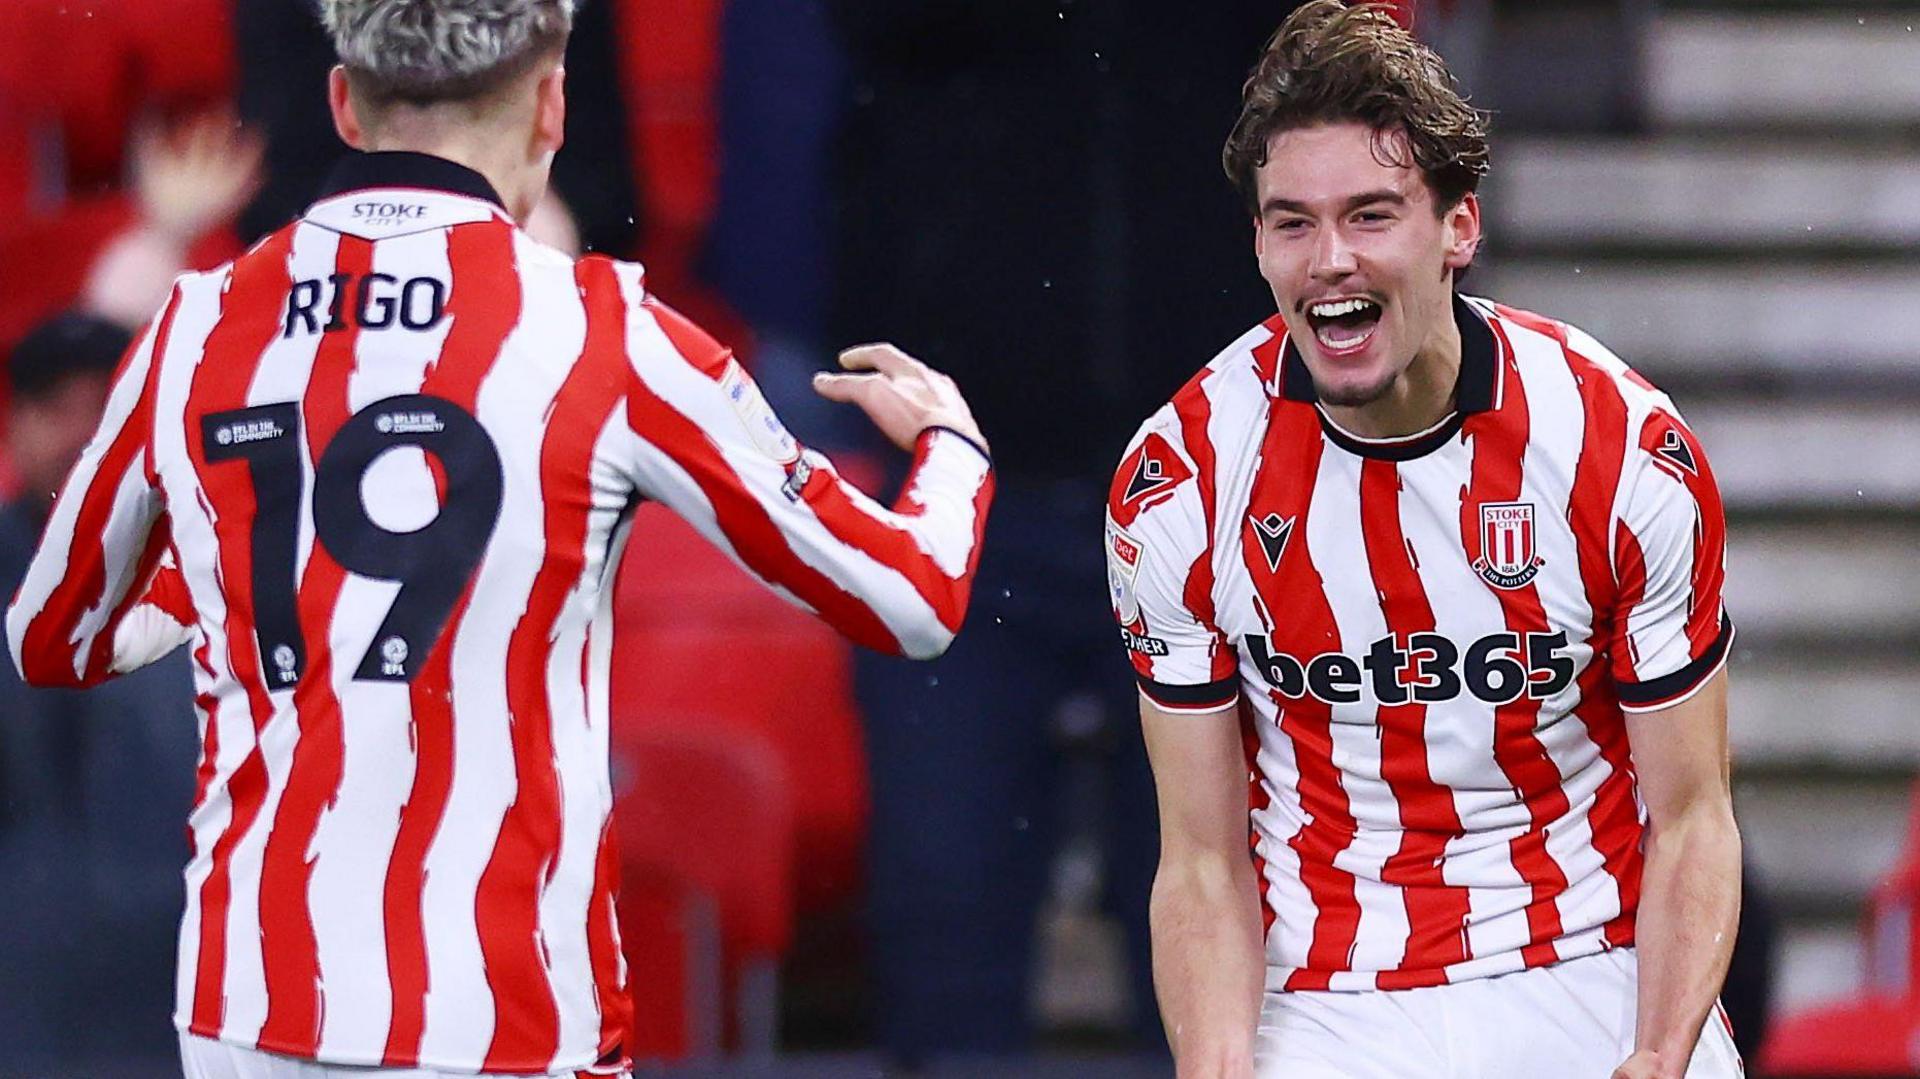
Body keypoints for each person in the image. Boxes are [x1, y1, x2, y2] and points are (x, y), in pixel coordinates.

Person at [4, 2, 994, 1077]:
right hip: (501, 1014)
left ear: (343, 103)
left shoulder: (198, 326)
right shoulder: (603, 333)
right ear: (553, 102)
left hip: (254, 1009)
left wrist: (242, 581)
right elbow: (914, 595)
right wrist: (953, 444)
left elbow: (54, 635)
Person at [1108, 4, 1742, 1078]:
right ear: (1257, 240)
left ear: (1458, 228)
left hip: (1589, 966)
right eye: (1292, 223)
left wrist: (1657, 1053)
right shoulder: (1181, 480)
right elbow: (1204, 860)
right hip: (1324, 995)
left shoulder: (1622, 447)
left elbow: (1692, 812)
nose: (1331, 261)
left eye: (1370, 215)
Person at [0, 314, 197, 1067]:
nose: (80, 437)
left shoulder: (219, 581)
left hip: (179, 985)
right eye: (57, 409)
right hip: (21, 995)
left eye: (103, 412)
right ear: (16, 425)